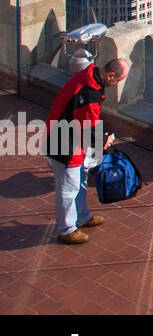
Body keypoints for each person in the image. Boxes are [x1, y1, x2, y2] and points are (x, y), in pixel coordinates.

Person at [46, 57, 130, 244]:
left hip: (69, 137)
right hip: (64, 143)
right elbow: (88, 127)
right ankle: (66, 229)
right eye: (118, 80)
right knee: (69, 187)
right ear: (110, 76)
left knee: (81, 179)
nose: (116, 84)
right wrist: (104, 141)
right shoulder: (90, 93)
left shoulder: (89, 76)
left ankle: (82, 216)